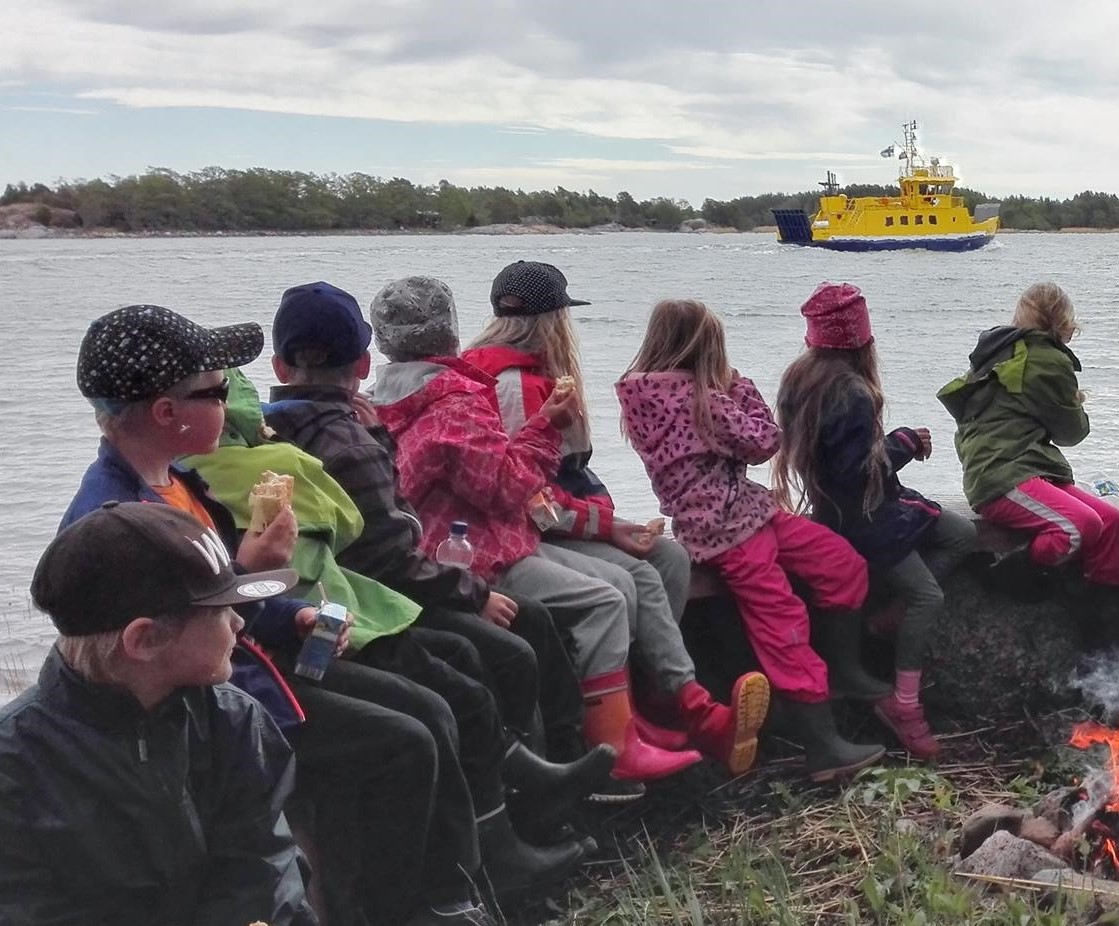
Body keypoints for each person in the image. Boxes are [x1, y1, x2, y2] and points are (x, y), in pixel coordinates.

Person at [62, 304, 484, 925]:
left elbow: (207, 597)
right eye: (217, 391)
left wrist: (291, 618)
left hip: (255, 658)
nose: (236, 401)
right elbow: (159, 640)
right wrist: (248, 572)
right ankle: (401, 909)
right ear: (166, 413)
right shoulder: (114, 520)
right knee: (402, 743)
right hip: (210, 700)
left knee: (427, 706)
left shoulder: (174, 479)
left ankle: (446, 893)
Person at [188, 367, 598, 890]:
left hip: (317, 618)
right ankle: (453, 883)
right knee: (441, 704)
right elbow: (372, 528)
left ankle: (516, 814)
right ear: (359, 363)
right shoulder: (299, 452)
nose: (225, 405)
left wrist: (289, 612)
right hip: (286, 650)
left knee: (469, 667)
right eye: (213, 393)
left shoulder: (192, 477)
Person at [367, 275, 747, 783]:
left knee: (661, 563)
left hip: (483, 532)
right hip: (486, 544)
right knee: (616, 590)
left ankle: (664, 705)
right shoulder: (490, 391)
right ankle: (623, 732)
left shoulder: (415, 391)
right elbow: (515, 491)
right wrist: (597, 517)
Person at [460, 263, 770, 776]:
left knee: (668, 558)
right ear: (553, 319)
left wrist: (606, 521)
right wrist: (606, 527)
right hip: (526, 528)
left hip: (554, 516)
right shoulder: (513, 384)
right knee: (635, 577)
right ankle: (679, 710)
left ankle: (653, 699)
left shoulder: (528, 373)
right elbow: (521, 489)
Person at [265, 280, 588, 767]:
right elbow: (492, 493)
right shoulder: (372, 432)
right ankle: (546, 777)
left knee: (515, 633)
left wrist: (376, 432)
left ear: (279, 367)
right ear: (362, 364)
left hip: (350, 591)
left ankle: (539, 773)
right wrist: (545, 431)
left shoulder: (271, 431)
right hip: (389, 590)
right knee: (536, 633)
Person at [0, 502, 313, 925]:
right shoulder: (16, 767)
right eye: (221, 610)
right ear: (145, 640)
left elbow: (263, 871)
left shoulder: (235, 721)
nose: (239, 623)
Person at [615, 296, 886, 782]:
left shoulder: (644, 396)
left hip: (740, 514)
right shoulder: (701, 399)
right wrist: (738, 382)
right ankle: (820, 742)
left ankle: (842, 673)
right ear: (705, 348)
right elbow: (764, 441)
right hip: (726, 528)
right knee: (782, 621)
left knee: (839, 563)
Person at [776, 283, 981, 761]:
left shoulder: (800, 379)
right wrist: (905, 442)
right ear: (862, 341)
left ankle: (890, 620)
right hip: (864, 519)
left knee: (964, 534)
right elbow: (853, 473)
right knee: (927, 594)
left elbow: (839, 461)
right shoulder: (850, 391)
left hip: (859, 508)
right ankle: (904, 703)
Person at [938, 282, 1119, 591]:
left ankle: (1103, 616)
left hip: (1023, 465)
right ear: (1065, 323)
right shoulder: (1049, 360)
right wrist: (1076, 402)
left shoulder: (999, 349)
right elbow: (1071, 433)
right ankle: (1007, 575)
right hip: (1001, 475)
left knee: (1111, 520)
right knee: (1082, 526)